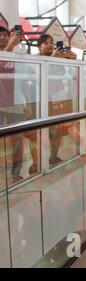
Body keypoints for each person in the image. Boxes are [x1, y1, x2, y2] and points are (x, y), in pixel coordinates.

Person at [36, 34, 77, 168]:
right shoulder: (36, 59)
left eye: (51, 42)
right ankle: (39, 162)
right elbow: (40, 76)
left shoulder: (59, 59)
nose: (49, 45)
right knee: (43, 131)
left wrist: (72, 58)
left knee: (58, 130)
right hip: (43, 100)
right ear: (39, 46)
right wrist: (53, 59)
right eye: (45, 43)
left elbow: (68, 74)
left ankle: (53, 156)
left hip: (59, 98)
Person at [0, 27, 26, 182]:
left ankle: (16, 172)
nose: (3, 38)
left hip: (14, 102)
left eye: (5, 35)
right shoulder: (9, 51)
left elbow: (23, 78)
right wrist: (9, 47)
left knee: (17, 138)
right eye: (0, 35)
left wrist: (26, 102)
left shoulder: (16, 55)